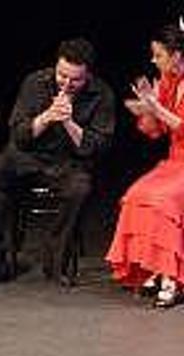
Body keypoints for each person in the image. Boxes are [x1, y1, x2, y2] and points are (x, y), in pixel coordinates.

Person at [0, 38, 116, 288]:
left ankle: (55, 260)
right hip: (26, 156)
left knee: (79, 188)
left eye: (75, 79)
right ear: (56, 67)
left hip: (68, 163)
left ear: (87, 74)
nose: (67, 83)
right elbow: (18, 134)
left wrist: (68, 122)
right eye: (62, 75)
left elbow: (96, 148)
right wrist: (46, 117)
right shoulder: (35, 82)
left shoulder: (102, 94)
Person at [106, 24, 184, 307]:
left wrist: (156, 107)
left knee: (164, 200)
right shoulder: (166, 79)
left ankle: (174, 278)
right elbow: (158, 130)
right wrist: (145, 109)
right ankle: (156, 267)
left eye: (159, 55)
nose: (154, 60)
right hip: (176, 161)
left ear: (176, 55)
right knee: (136, 195)